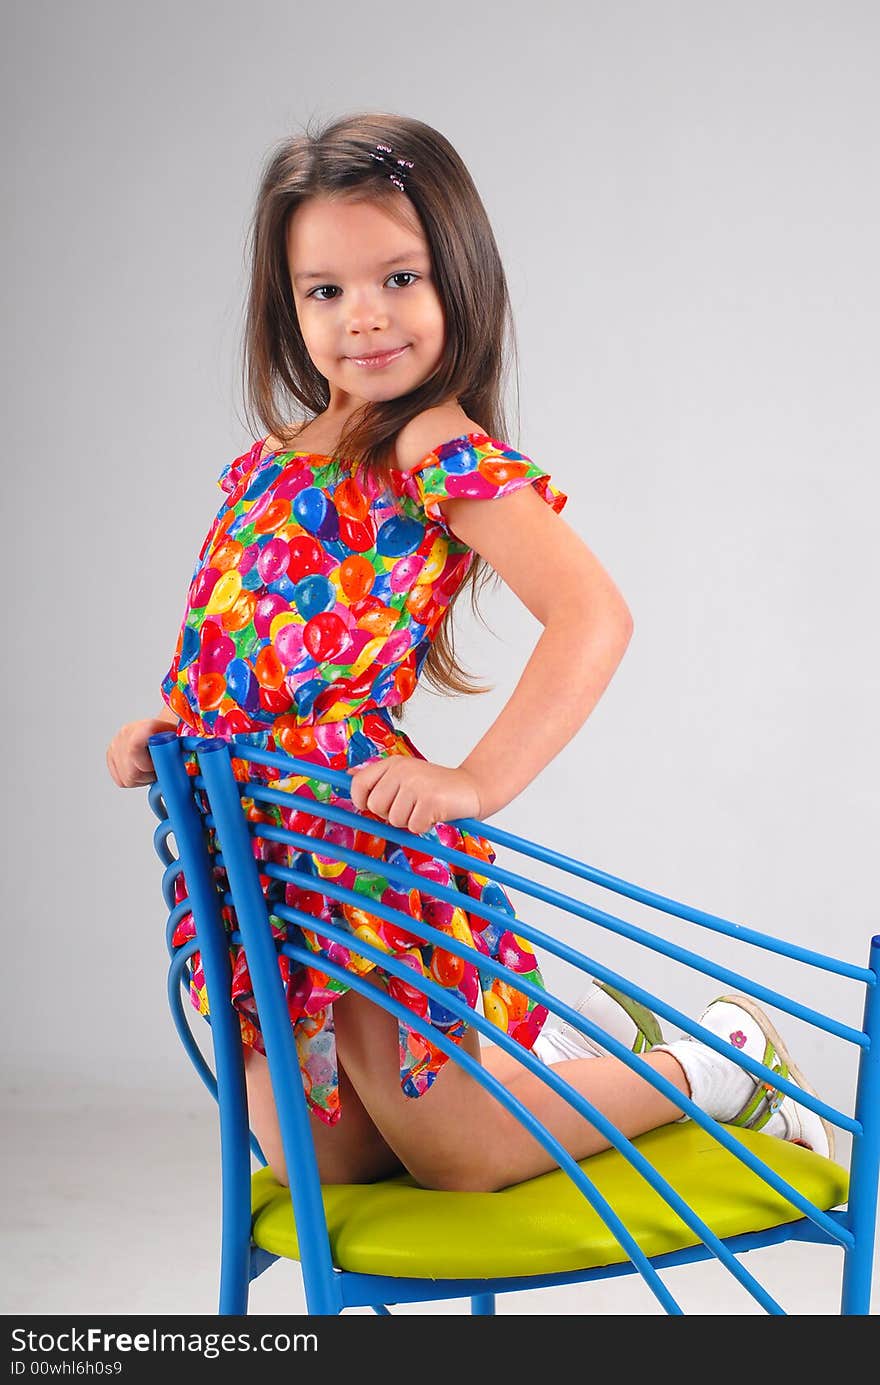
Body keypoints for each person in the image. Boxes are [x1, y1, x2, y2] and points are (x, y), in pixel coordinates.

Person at [106, 111, 833, 1194]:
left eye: (400, 278)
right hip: (249, 857)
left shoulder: (429, 445)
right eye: (326, 290)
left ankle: (720, 1060)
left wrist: (478, 776)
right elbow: (237, 644)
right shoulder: (267, 466)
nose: (365, 317)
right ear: (286, 302)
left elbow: (593, 612)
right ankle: (568, 1043)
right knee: (336, 1167)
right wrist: (168, 724)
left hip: (351, 848)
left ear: (459, 277)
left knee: (464, 1157)